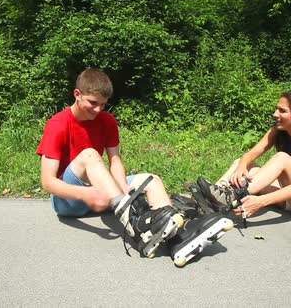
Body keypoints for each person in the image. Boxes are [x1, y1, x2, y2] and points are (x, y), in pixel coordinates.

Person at [36, 67, 233, 266]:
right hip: (68, 201)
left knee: (151, 180)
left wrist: (121, 184)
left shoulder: (107, 120)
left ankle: (177, 240)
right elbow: (48, 182)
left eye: (103, 105)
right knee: (90, 154)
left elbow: (115, 160)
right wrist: (87, 194)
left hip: (103, 194)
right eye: (92, 103)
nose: (98, 110)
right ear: (77, 94)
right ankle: (138, 226)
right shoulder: (57, 124)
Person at [199, 89, 291, 221]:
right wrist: (242, 166)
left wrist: (260, 201)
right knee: (242, 164)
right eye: (276, 109)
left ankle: (225, 199)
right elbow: (251, 154)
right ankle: (208, 201)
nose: (275, 114)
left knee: (282, 158)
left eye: (282, 110)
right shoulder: (279, 130)